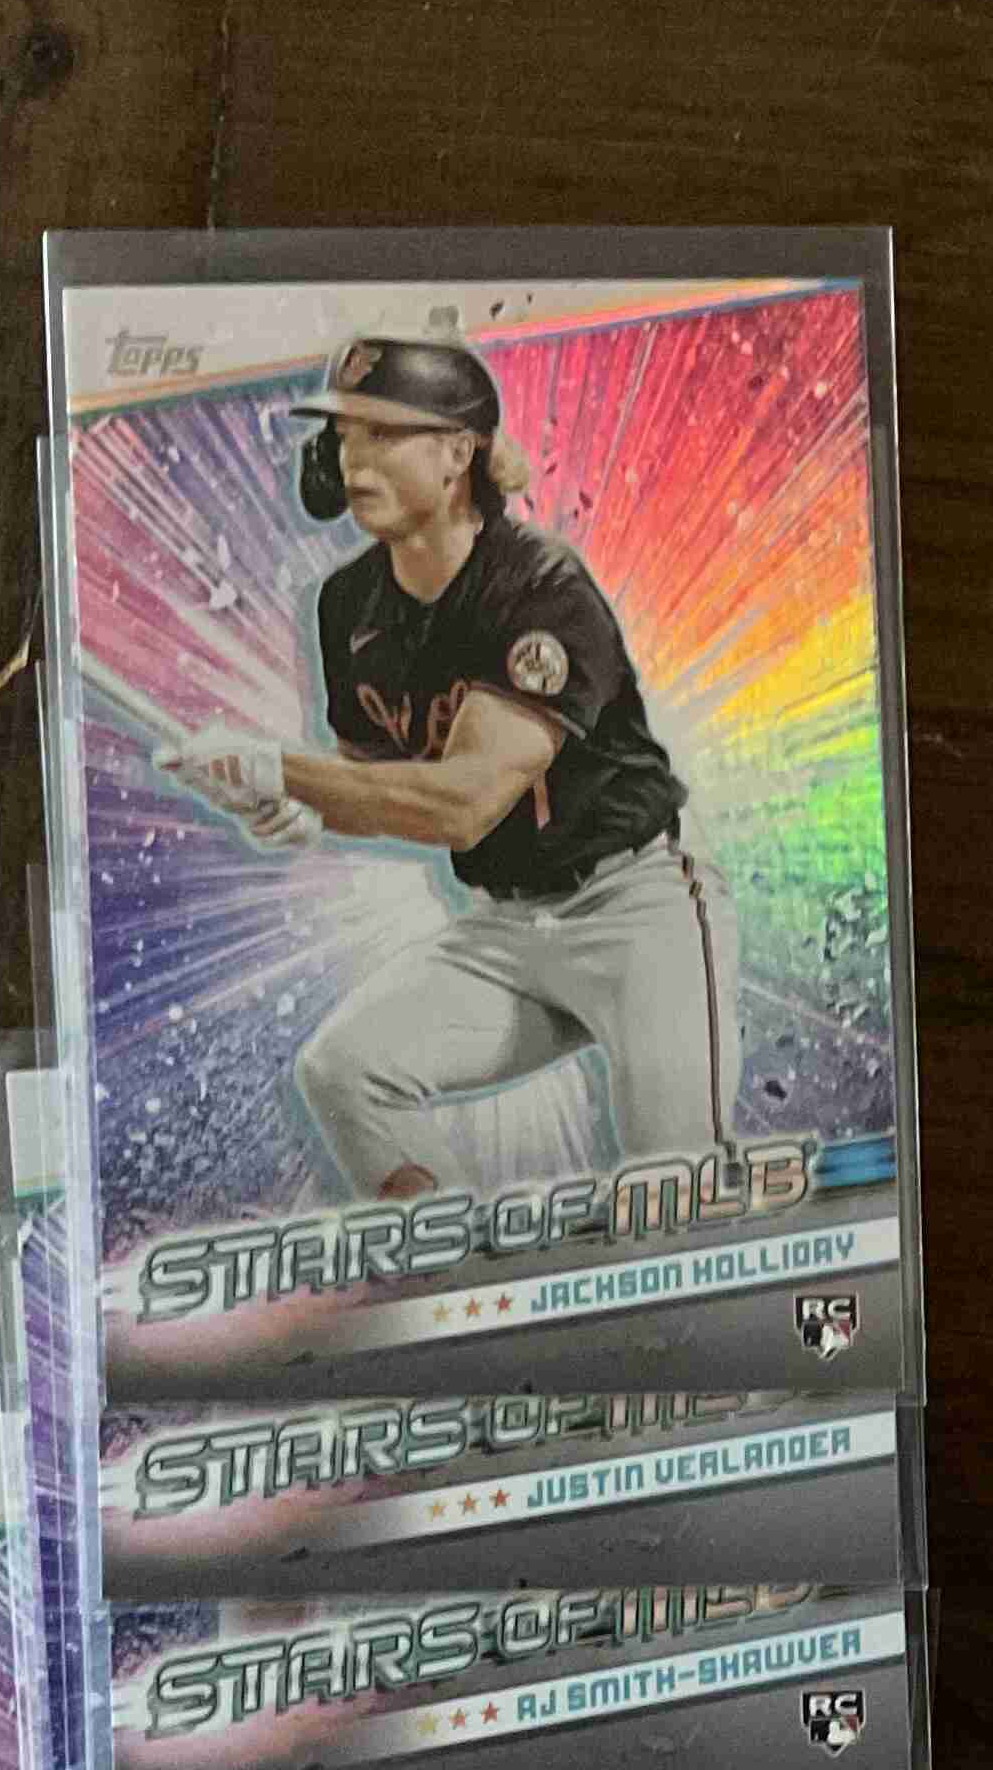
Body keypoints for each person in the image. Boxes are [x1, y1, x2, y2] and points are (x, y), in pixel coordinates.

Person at [155, 332, 738, 1199]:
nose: (354, 458)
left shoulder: (540, 585)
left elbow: (463, 803)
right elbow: (376, 783)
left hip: (637, 908)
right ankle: (464, 1264)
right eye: (344, 435)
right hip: (506, 929)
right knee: (342, 1072)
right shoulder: (347, 606)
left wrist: (283, 770)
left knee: (675, 1186)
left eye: (384, 433)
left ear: (459, 452)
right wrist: (306, 809)